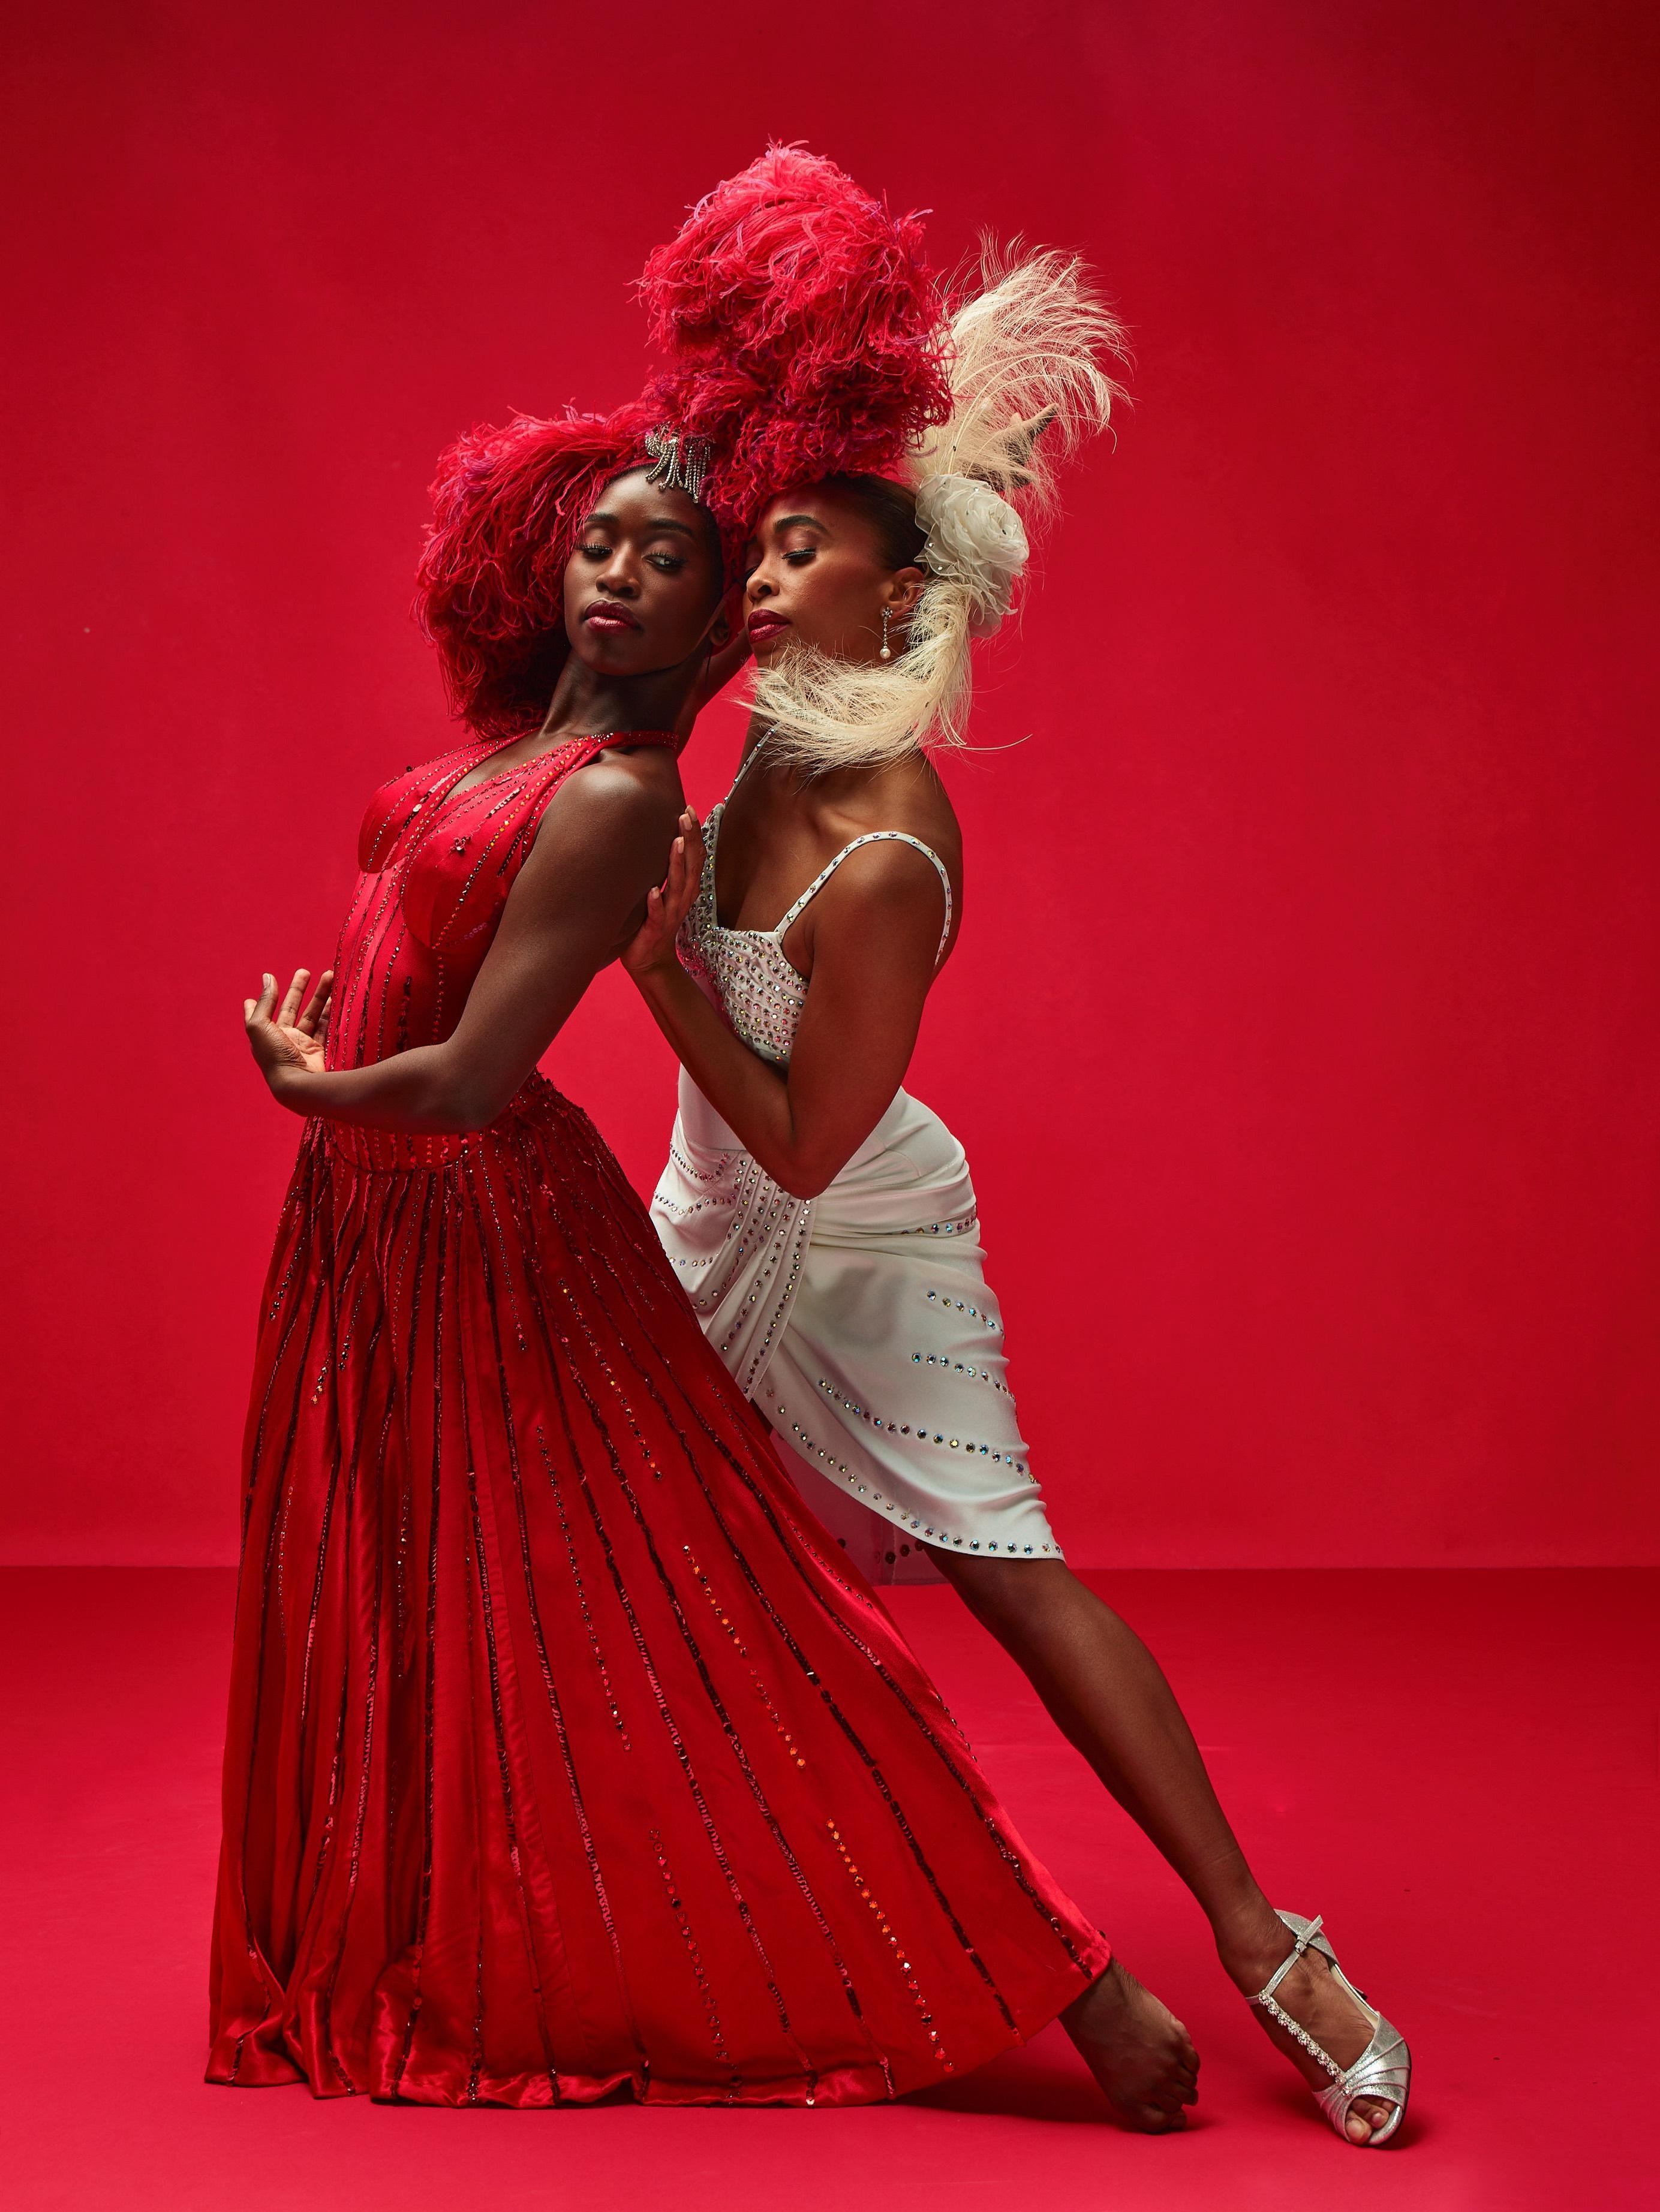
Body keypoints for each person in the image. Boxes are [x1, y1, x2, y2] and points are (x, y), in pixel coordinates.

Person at [209, 148, 1199, 2128]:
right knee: (507, 1606)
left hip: (532, 1213)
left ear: (723, 640)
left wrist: (311, 1090)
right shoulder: (526, 748)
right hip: (410, 1225)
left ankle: (1094, 1972)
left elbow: (492, 1078)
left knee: (729, 1609)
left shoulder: (611, 795)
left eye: (681, 559)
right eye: (610, 539)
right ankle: (480, 1912)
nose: (632, 569)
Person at [629, 249, 1410, 2147]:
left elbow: (815, 1146)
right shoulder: (767, 718)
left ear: (900, 593)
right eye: (768, 541)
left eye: (801, 547)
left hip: (857, 1241)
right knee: (693, 1573)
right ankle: (794, 1925)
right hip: (711, 1207)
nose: (761, 570)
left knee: (1007, 1577)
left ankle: (1253, 1934)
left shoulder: (888, 844)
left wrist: (655, 969)